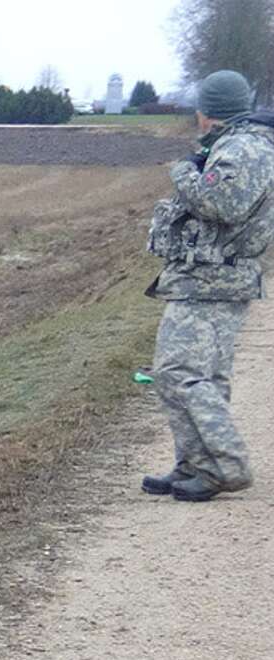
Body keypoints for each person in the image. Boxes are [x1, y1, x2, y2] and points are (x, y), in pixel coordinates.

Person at [142, 69, 274, 502]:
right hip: (214, 276)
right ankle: (194, 463)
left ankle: (225, 465)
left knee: (177, 372)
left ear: (206, 113)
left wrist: (183, 173)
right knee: (204, 376)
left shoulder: (242, 148)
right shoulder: (244, 145)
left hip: (211, 277)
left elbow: (223, 205)